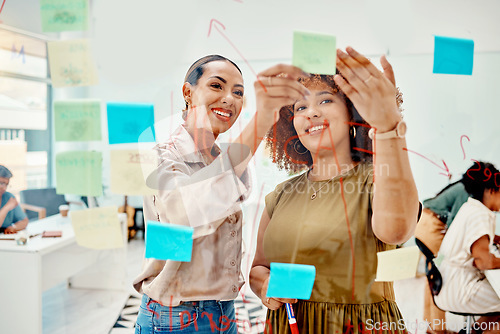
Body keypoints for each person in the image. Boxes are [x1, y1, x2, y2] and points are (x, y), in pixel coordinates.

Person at [133, 55, 310, 333]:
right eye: (217, 86)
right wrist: (262, 119)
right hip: (176, 316)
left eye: (238, 92)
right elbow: (185, 214)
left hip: (223, 311)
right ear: (187, 92)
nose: (229, 98)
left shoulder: (222, 157)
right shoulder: (161, 154)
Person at [250, 47, 420, 334]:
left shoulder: (378, 178)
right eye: (300, 107)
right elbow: (258, 268)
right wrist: (266, 286)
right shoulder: (281, 194)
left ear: (354, 114)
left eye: (325, 100)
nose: (311, 112)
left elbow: (396, 231)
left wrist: (389, 126)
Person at [415, 162, 495, 334]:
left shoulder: (463, 188)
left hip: (424, 223)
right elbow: (457, 226)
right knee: (441, 274)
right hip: (431, 226)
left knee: (434, 275)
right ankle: (438, 330)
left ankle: (432, 327)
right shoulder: (468, 195)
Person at [0, 165, 28, 234]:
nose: (4, 188)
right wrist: (6, 208)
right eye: (1, 183)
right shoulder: (9, 203)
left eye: (6, 184)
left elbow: (24, 221)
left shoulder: (8, 197)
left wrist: (13, 227)